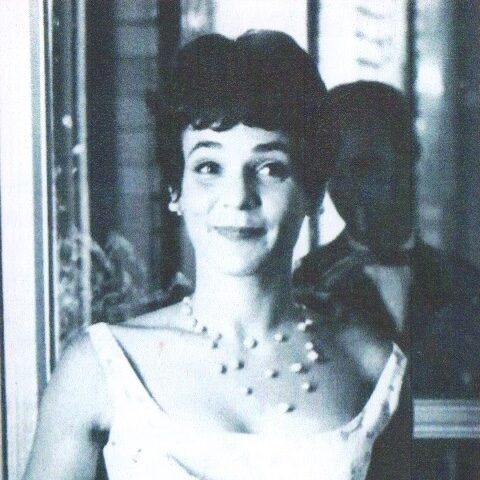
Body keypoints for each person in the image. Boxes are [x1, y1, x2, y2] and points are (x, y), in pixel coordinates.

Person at [24, 34, 407, 480]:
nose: (238, 197)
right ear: (176, 191)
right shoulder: (98, 367)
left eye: (270, 168)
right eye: (209, 167)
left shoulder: (373, 367)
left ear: (313, 193)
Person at [293, 81, 480, 397]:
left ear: (409, 158)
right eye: (334, 171)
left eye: (364, 165)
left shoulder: (466, 285)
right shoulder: (304, 285)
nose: (346, 186)